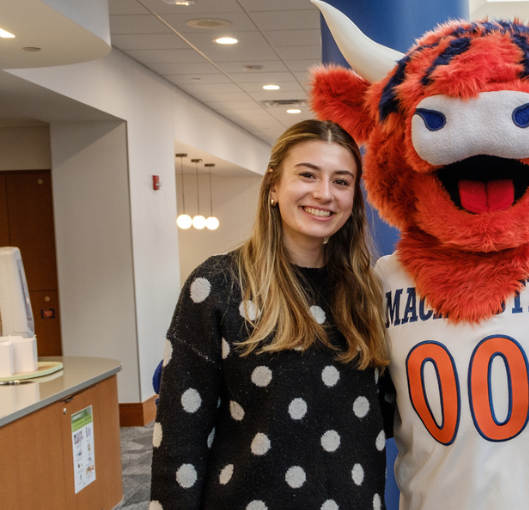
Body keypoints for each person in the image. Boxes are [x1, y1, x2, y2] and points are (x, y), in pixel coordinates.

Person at [150, 120, 390, 509]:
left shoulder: (365, 290)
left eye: (342, 182)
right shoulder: (217, 284)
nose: (324, 193)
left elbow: (389, 410)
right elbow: (180, 438)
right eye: (308, 175)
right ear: (274, 186)